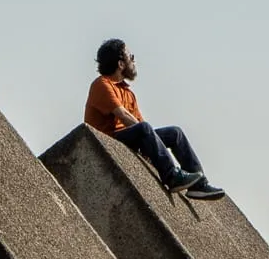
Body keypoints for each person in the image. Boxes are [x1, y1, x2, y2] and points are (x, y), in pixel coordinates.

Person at [85, 39, 224, 199]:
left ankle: (199, 185)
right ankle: (172, 176)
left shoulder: (127, 92)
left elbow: (141, 124)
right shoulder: (102, 84)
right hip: (109, 138)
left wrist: (152, 144)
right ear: (121, 64)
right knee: (144, 128)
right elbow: (123, 115)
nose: (134, 61)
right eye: (131, 57)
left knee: (175, 133)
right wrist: (149, 137)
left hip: (129, 137)